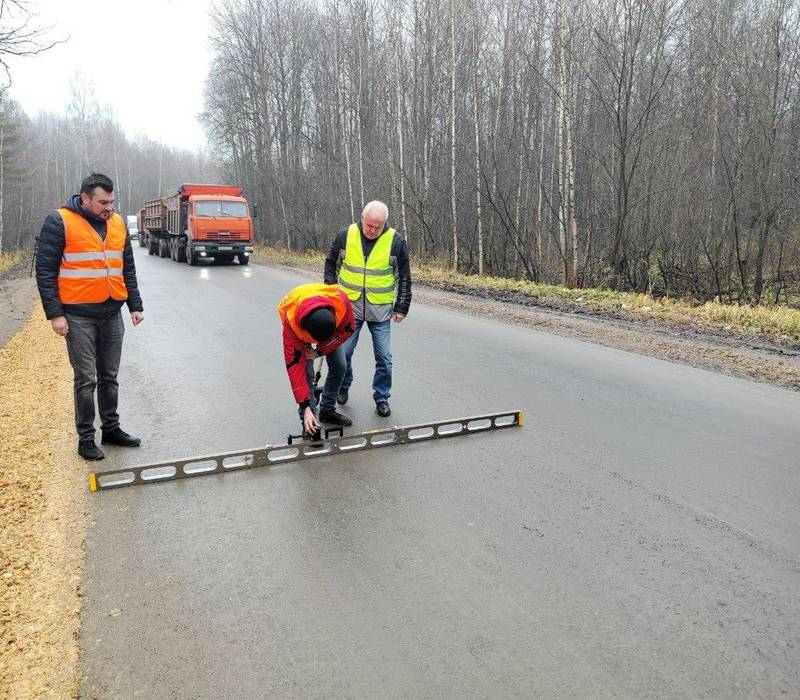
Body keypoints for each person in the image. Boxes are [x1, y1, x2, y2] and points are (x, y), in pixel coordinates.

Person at [35, 173, 144, 461]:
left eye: (112, 201)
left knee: (110, 376)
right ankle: (86, 439)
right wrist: (55, 315)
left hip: (111, 312)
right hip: (78, 316)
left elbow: (127, 268)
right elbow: (45, 272)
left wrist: (135, 305)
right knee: (86, 379)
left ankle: (111, 429)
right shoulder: (59, 221)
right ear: (84, 198)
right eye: (102, 202)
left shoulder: (118, 223)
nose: (109, 207)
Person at [324, 200, 412, 417]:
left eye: (377, 227)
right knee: (343, 353)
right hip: (348, 309)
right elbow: (330, 264)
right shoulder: (346, 235)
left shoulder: (395, 241)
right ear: (362, 218)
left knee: (384, 358)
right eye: (369, 225)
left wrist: (401, 306)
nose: (372, 230)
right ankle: (343, 385)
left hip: (380, 311)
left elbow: (405, 277)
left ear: (385, 224)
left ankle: (381, 397)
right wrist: (330, 295)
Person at [277, 282, 355, 436]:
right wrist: (305, 406)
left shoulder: (341, 302)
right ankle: (309, 419)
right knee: (306, 372)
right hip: (300, 319)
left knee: (340, 365)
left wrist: (320, 350)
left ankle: (327, 410)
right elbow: (294, 368)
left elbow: (347, 329)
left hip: (326, 322)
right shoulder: (291, 323)